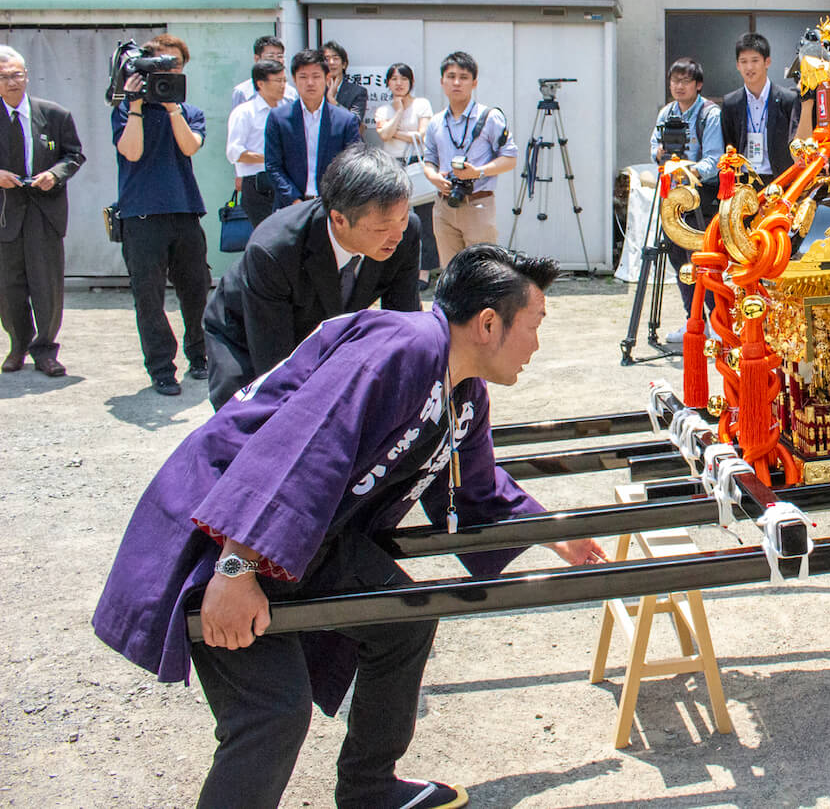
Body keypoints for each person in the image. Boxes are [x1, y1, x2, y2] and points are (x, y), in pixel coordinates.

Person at [93, 244, 607, 809]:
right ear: (488, 323)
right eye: (534, 325)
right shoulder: (401, 348)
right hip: (224, 530)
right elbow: (297, 451)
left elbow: (475, 488)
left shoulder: (462, 390)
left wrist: (548, 531)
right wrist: (234, 571)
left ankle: (370, 788)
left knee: (403, 620)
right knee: (272, 712)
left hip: (305, 537)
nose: (537, 343)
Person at [203, 145, 423, 408]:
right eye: (383, 227)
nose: (397, 235)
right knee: (253, 420)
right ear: (339, 219)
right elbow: (275, 365)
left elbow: (404, 325)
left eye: (402, 219)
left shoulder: (404, 234)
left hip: (324, 329)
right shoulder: (275, 249)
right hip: (248, 331)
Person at [112, 32, 212, 397]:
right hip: (140, 216)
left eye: (175, 66)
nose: (167, 72)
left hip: (184, 211)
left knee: (196, 291)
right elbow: (132, 153)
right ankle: (161, 368)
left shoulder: (191, 112)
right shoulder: (125, 108)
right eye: (160, 66)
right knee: (149, 297)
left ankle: (200, 355)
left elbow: (189, 146)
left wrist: (172, 107)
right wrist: (135, 104)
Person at [0, 44, 84, 377]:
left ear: (27, 76)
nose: (11, 82)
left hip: (44, 212)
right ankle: (18, 344)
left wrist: (55, 174)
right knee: (8, 288)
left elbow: (74, 155)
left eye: (17, 74)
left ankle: (45, 348)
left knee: (47, 285)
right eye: (4, 77)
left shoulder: (54, 114)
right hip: (6, 214)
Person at [650, 57, 723, 343]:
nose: (678, 86)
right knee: (677, 258)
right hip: (671, 198)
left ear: (698, 84)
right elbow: (655, 146)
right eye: (674, 81)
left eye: (685, 81)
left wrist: (688, 168)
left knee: (702, 261)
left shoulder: (709, 114)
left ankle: (718, 322)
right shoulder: (666, 113)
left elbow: (715, 159)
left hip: (699, 199)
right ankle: (693, 321)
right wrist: (662, 156)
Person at [421, 51, 517, 269]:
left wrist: (478, 172)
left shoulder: (490, 117)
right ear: (442, 81)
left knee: (483, 271)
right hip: (444, 205)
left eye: (464, 77)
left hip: (478, 203)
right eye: (451, 76)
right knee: (450, 273)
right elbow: (429, 160)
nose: (457, 82)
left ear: (474, 83)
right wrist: (434, 177)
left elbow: (510, 159)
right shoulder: (436, 122)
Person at [264, 49, 362, 210]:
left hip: (331, 206)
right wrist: (294, 199)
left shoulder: (344, 120)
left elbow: (353, 164)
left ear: (327, 79)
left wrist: (332, 200)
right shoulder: (278, 118)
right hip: (289, 206)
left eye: (316, 76)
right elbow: (273, 165)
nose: (310, 83)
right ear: (294, 80)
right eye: (303, 77)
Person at [373, 62, 440, 286]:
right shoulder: (384, 109)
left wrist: (394, 133)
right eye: (394, 79)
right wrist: (399, 111)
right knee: (392, 217)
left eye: (403, 79)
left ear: (411, 81)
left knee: (424, 218)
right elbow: (383, 136)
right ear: (388, 83)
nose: (399, 83)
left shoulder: (422, 104)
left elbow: (422, 135)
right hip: (392, 165)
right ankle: (394, 269)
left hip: (416, 163)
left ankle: (424, 271)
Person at [720, 33, 797, 187]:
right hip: (743, 181)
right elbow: (728, 143)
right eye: (743, 61)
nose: (749, 67)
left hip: (779, 180)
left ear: (767, 62)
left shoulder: (788, 99)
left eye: (755, 60)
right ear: (737, 65)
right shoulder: (730, 103)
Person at [224, 58, 290, 227]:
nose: (283, 85)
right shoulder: (245, 112)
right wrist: (270, 159)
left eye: (284, 80)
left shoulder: (290, 109)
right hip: (258, 184)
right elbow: (234, 152)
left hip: (287, 181)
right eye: (277, 81)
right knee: (268, 234)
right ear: (260, 83)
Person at [229, 36, 299, 110]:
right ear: (257, 59)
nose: (276, 60)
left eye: (279, 56)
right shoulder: (242, 92)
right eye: (271, 56)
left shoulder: (291, 93)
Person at [321, 40, 370, 130]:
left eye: (335, 58)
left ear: (344, 64)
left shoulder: (358, 92)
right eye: (327, 59)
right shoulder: (316, 90)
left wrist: (332, 100)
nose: (331, 62)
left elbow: (355, 121)